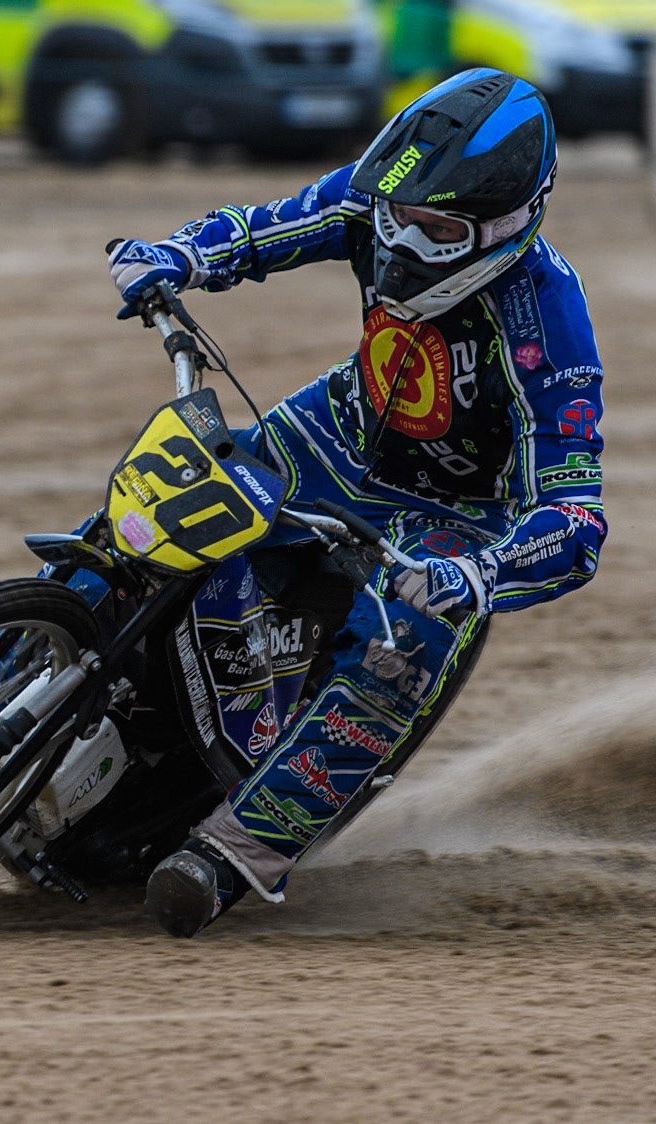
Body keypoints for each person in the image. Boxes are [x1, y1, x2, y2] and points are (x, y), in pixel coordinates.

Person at [105, 68, 607, 938]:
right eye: (395, 217)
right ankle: (28, 660)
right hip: (333, 430)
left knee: (401, 648)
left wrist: (479, 574)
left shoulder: (549, 323)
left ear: (512, 222)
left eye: (436, 230)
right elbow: (269, 227)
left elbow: (577, 519)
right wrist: (179, 255)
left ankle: (237, 854)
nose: (403, 242)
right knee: (162, 502)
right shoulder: (382, 197)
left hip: (451, 515)